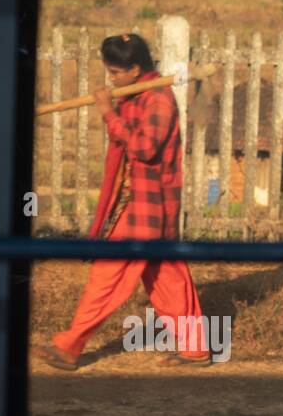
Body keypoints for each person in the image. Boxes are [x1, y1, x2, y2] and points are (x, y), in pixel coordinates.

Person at [33, 32, 212, 370]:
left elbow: (144, 148)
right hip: (145, 202)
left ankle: (70, 345)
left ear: (135, 69)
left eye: (115, 73)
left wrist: (107, 112)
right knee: (165, 275)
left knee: (108, 274)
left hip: (146, 205)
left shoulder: (157, 98)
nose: (110, 79)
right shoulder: (138, 94)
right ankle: (195, 348)